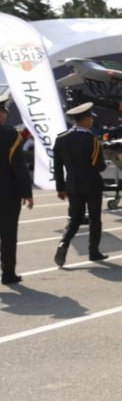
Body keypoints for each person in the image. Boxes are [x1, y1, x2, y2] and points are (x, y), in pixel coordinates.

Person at [53, 102, 107, 266]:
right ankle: (94, 252)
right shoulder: (92, 139)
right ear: (85, 120)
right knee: (95, 218)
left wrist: (60, 188)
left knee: (74, 218)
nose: (91, 121)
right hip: (92, 184)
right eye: (90, 118)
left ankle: (63, 243)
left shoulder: (61, 138)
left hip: (73, 185)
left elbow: (57, 166)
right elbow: (100, 166)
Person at [0, 99, 34, 284]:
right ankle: (8, 273)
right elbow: (18, 167)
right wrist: (26, 193)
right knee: (8, 234)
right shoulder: (10, 135)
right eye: (4, 112)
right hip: (7, 194)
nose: (5, 115)